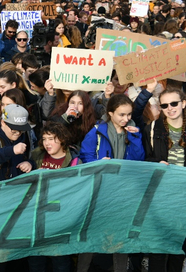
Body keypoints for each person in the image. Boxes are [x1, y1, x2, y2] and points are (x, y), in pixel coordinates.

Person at [143, 88, 186, 272]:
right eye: (164, 105)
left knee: (179, 242)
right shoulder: (151, 129)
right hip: (160, 194)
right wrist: (157, 162)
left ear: (183, 103)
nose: (170, 108)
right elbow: (145, 159)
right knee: (158, 242)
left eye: (174, 103)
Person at [77, 94, 145, 272]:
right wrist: (99, 165)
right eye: (121, 115)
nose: (126, 119)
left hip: (124, 193)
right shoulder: (97, 131)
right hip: (100, 192)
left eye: (129, 114)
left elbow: (139, 160)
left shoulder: (133, 131)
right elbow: (85, 156)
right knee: (92, 233)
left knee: (120, 234)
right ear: (110, 113)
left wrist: (137, 139)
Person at [27, 122, 78, 272]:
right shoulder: (36, 155)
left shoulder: (74, 160)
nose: (47, 143)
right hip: (37, 218)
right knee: (36, 260)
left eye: (51, 138)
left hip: (59, 218)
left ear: (62, 139)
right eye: (44, 139)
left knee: (60, 260)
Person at [0, 104, 36, 182]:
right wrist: (12, 150)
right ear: (3, 122)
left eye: (21, 129)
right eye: (14, 130)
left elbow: (29, 158)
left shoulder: (23, 137)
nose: (18, 133)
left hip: (16, 188)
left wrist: (30, 164)